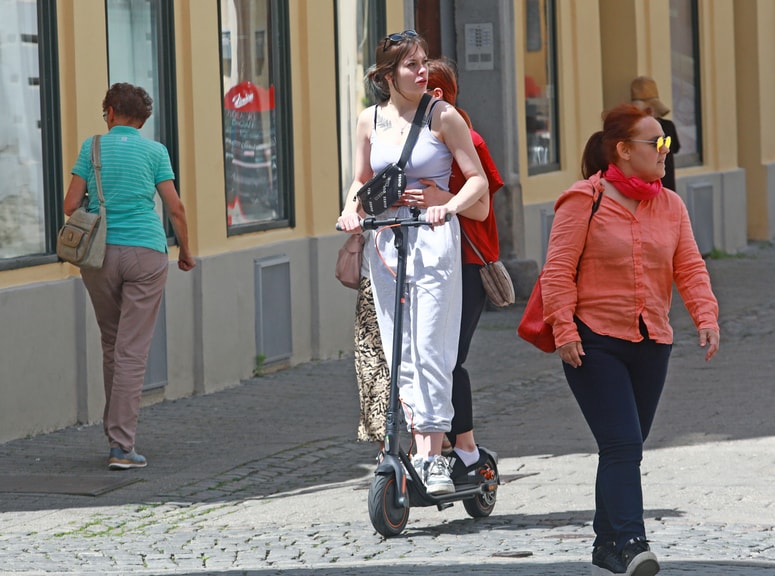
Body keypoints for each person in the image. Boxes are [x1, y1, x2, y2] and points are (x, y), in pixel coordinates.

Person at [541, 104, 719, 575]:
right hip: (593, 340)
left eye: (666, 143)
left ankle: (606, 544)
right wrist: (563, 329)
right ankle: (631, 541)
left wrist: (706, 315)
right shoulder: (583, 200)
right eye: (655, 143)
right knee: (622, 444)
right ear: (622, 151)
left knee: (626, 444)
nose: (666, 151)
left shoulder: (671, 205)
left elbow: (690, 266)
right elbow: (557, 271)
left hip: (652, 340)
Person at [338, 31, 488, 496]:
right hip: (386, 242)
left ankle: (432, 455)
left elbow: (478, 181)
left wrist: (449, 204)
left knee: (431, 348)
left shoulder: (444, 117)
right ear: (387, 75)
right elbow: (361, 182)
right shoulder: (369, 120)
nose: (422, 71)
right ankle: (418, 447)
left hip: (432, 237)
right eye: (411, 65)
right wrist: (350, 211)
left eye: (424, 62)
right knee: (398, 347)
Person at [64, 83, 196, 470]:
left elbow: (71, 204)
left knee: (112, 343)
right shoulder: (155, 151)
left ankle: (115, 435)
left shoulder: (93, 149)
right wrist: (185, 251)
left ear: (109, 112)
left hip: (99, 255)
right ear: (141, 119)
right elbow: (176, 207)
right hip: (146, 253)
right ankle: (122, 446)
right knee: (132, 349)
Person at [630, 76, 681, 191]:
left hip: (654, 185)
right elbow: (676, 148)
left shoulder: (634, 130)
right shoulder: (668, 126)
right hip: (659, 185)